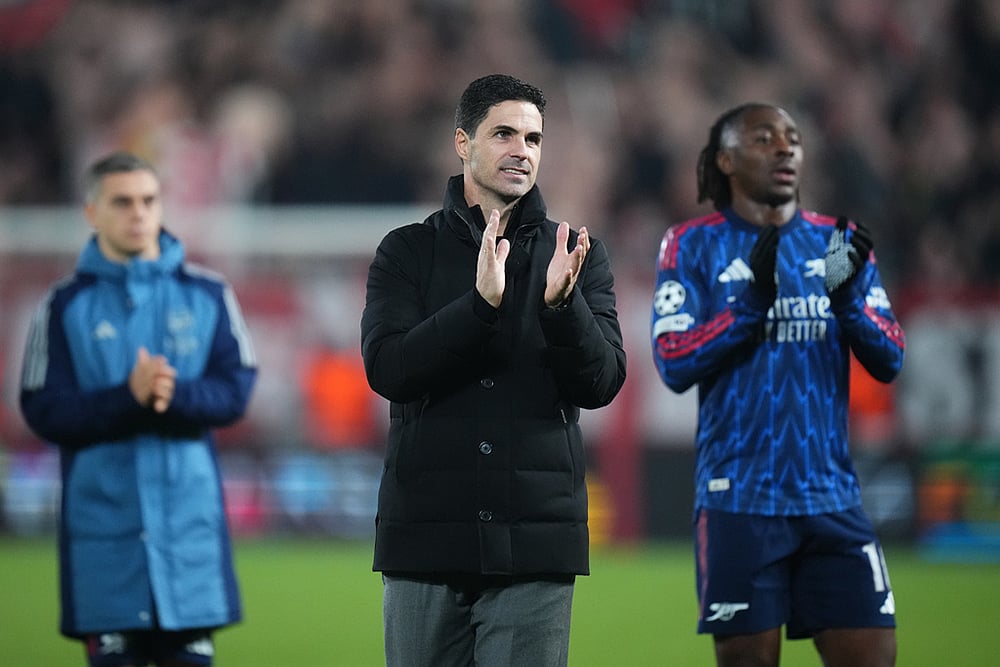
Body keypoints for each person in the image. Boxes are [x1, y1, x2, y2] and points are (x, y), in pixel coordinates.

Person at [361, 73, 627, 666]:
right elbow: (388, 369)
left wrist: (564, 309)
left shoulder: (576, 252)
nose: (521, 151)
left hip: (535, 548)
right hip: (426, 541)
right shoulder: (406, 251)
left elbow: (603, 380)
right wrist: (477, 308)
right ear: (463, 143)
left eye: (533, 139)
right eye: (504, 133)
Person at [650, 103, 905, 667]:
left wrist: (847, 305)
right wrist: (748, 309)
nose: (785, 148)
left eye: (792, 138)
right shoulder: (691, 245)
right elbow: (673, 360)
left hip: (832, 500)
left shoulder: (840, 243)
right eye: (764, 138)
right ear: (726, 159)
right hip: (739, 499)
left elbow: (889, 358)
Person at [19, 151, 257, 667]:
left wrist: (176, 395)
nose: (138, 213)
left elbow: (236, 390)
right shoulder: (62, 306)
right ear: (92, 212)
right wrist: (128, 398)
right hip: (104, 542)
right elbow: (42, 409)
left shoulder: (209, 295)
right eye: (122, 201)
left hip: (188, 538)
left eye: (148, 200)